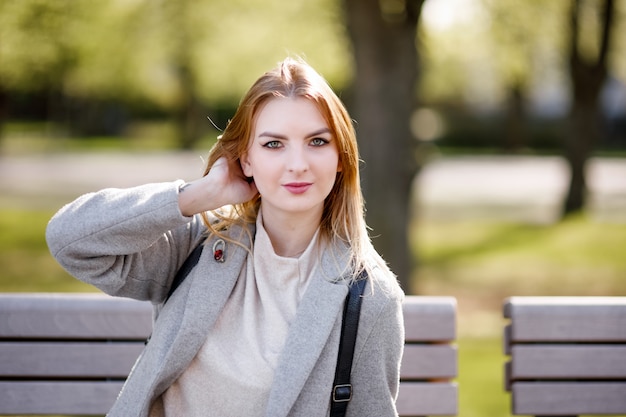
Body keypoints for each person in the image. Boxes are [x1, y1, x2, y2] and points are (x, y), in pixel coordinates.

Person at [46, 57, 405, 417]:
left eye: (316, 141)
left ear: (340, 156)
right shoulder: (198, 245)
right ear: (245, 160)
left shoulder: (369, 296)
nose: (298, 164)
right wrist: (196, 196)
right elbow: (70, 241)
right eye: (273, 144)